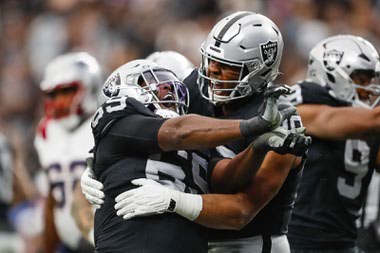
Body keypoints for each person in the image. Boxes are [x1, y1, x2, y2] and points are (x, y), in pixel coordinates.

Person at [82, 11, 310, 253]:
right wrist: (97, 164)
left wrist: (175, 201)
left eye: (227, 67)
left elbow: (242, 210)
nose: (212, 72)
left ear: (258, 71)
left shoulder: (280, 119)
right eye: (210, 60)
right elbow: (152, 132)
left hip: (248, 243)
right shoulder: (194, 87)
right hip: (194, 236)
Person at [278, 35, 380, 253]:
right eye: (362, 78)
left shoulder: (366, 121)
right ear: (333, 74)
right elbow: (329, 121)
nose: (370, 88)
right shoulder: (306, 104)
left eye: (372, 79)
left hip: (345, 244)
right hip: (294, 244)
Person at [34, 52, 102, 253]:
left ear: (90, 86)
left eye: (67, 91)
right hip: (68, 245)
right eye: (53, 94)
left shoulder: (104, 124)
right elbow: (52, 197)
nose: (59, 101)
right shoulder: (46, 131)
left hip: (107, 241)